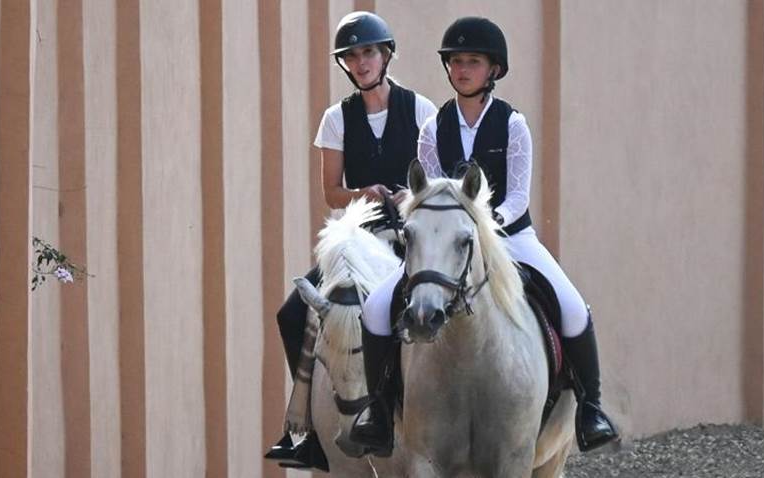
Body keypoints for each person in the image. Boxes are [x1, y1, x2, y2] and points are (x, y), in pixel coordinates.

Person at [352, 16, 619, 456]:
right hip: (445, 245)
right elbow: (428, 192)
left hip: (511, 238)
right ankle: (378, 412)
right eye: (455, 62)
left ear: (493, 69)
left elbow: (517, 196)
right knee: (378, 308)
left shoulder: (513, 124)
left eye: (472, 62)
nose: (461, 70)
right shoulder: (432, 129)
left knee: (572, 306)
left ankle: (591, 409)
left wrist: (482, 224)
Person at [265, 11, 437, 470]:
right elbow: (331, 191)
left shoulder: (421, 110)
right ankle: (301, 427)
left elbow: (435, 182)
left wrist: (408, 196)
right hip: (357, 237)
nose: (360, 62)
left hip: (407, 235)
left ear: (385, 55)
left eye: (368, 52)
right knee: (293, 311)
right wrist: (365, 192)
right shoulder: (335, 118)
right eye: (352, 56)